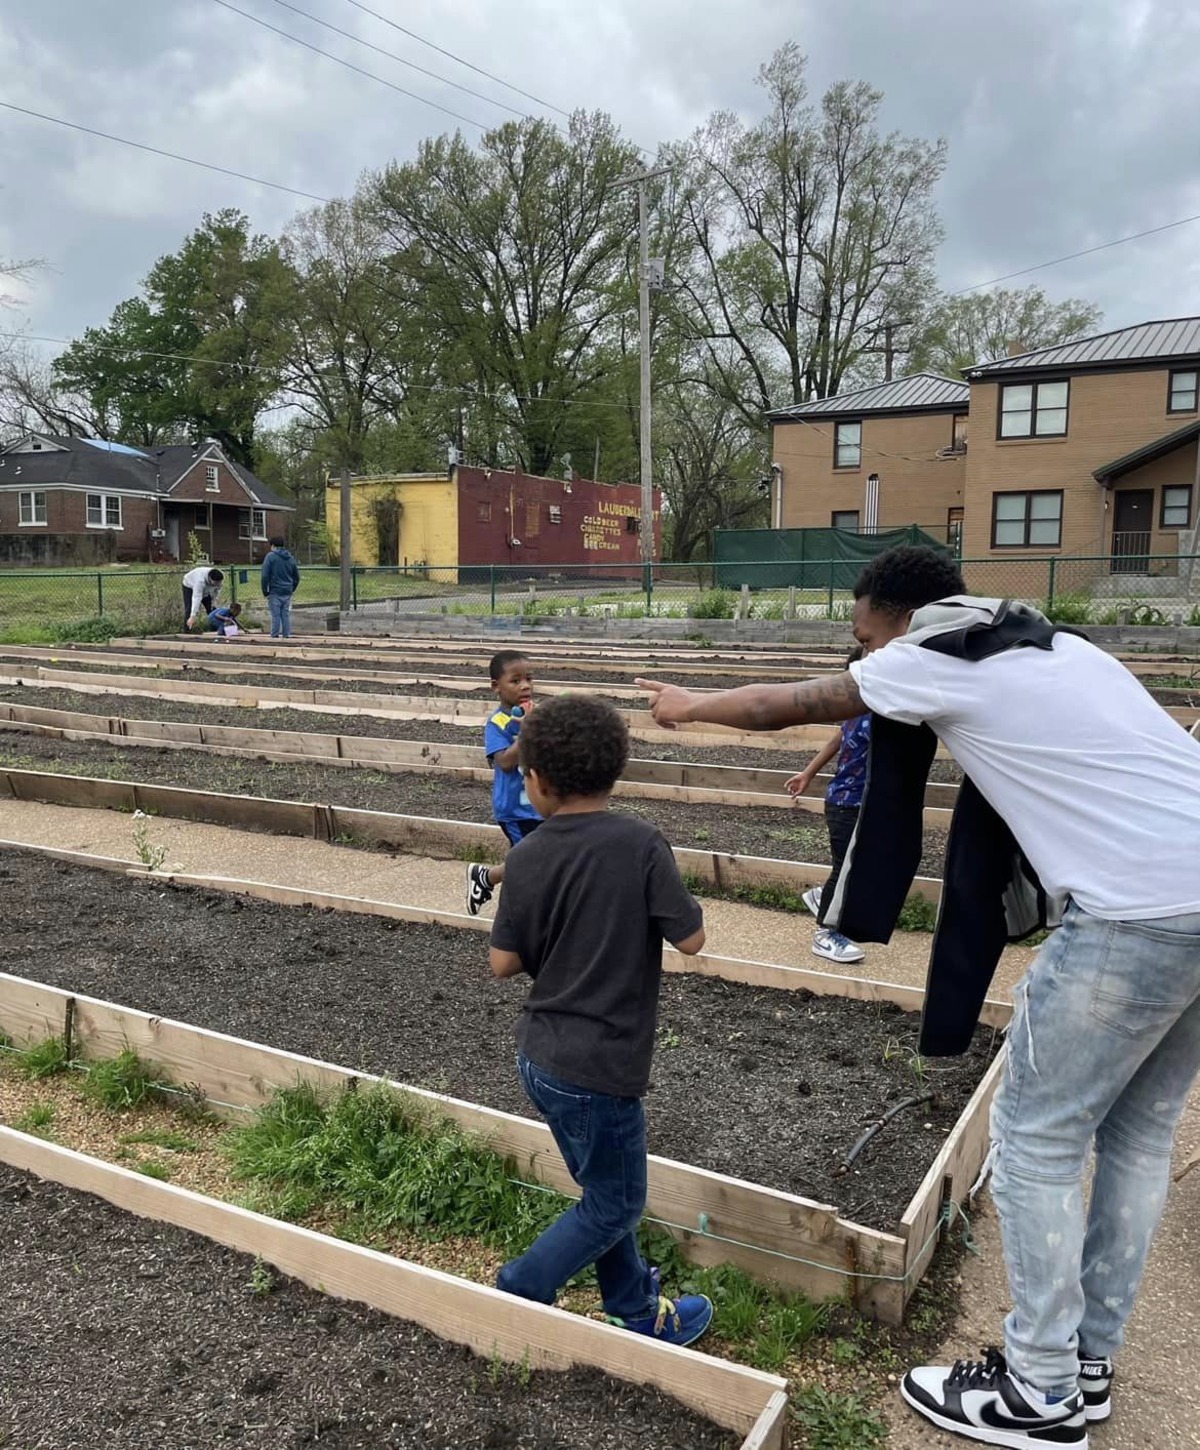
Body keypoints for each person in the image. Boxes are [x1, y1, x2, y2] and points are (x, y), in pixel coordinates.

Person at [637, 545, 1200, 1449]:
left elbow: (791, 704)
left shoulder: (933, 654)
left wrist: (686, 705)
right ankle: (1084, 1368)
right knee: (1135, 1136)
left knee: (1036, 1144)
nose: (860, 656)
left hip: (1135, 917)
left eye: (863, 638)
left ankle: (1039, 1392)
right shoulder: (1050, 642)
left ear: (899, 618)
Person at [488, 692, 714, 1347]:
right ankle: (523, 1287)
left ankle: (633, 1306)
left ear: (538, 781)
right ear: (613, 772)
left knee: (602, 1188)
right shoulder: (640, 844)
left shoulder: (526, 856)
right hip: (602, 1066)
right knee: (615, 1200)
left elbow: (503, 963)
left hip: (541, 1057)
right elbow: (692, 940)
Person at [786, 645, 869, 965]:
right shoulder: (865, 709)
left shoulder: (871, 706)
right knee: (848, 869)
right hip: (846, 803)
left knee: (859, 866)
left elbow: (837, 737)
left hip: (861, 801)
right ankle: (825, 933)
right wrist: (808, 773)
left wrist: (808, 773)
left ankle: (825, 898)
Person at [465, 650, 542, 915]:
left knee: (541, 857)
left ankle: (486, 878)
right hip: (515, 811)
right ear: (496, 687)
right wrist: (527, 732)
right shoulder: (498, 723)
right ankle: (516, 914)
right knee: (528, 862)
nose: (526, 686)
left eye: (529, 679)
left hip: (543, 805)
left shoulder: (537, 715)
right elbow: (505, 762)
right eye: (516, 680)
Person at [261, 536, 301, 639]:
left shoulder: (270, 557)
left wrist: (265, 591)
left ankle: (274, 636)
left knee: (275, 615)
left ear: (273, 546)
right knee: (285, 614)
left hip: (275, 590)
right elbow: (296, 577)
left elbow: (265, 575)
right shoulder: (290, 558)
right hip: (287, 591)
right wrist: (292, 588)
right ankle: (286, 635)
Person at [182, 564, 223, 631]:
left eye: (219, 583)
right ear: (210, 579)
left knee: (211, 609)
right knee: (190, 608)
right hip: (189, 586)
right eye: (216, 583)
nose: (218, 584)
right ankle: (187, 630)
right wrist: (193, 616)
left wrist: (214, 602)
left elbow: (216, 592)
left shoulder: (219, 579)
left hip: (206, 589)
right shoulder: (200, 581)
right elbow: (196, 598)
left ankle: (215, 629)